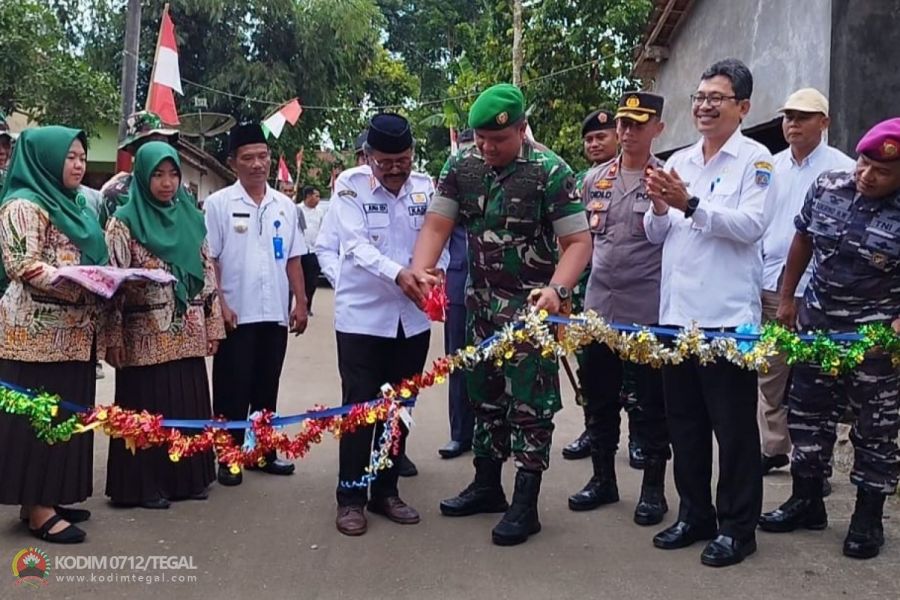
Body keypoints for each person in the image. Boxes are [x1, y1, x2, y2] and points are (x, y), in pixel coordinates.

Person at [408, 83, 592, 546]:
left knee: (530, 405)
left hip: (532, 311)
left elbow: (578, 243)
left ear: (521, 129)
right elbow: (437, 223)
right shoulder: (461, 165)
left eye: (498, 140)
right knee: (484, 397)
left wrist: (558, 289)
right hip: (481, 308)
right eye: (481, 139)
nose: (488, 148)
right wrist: (421, 268)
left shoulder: (551, 172)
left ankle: (525, 505)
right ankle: (487, 484)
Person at [643, 59, 774, 567]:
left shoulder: (755, 160)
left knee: (734, 429)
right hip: (678, 317)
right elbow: (659, 235)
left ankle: (738, 527)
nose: (703, 105)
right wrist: (660, 206)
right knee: (686, 425)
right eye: (699, 97)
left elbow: (751, 225)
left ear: (741, 107)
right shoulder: (682, 160)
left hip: (726, 319)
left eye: (715, 98)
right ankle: (694, 513)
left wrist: (690, 203)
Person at [758, 118, 900, 560]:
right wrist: (787, 297)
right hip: (817, 328)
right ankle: (807, 501)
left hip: (874, 341)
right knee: (806, 418)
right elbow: (802, 237)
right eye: (863, 161)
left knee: (875, 430)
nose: (866, 174)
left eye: (881, 170)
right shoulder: (828, 186)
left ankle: (867, 518)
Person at [317, 113, 446, 536]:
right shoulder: (349, 186)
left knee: (400, 408)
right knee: (359, 409)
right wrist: (400, 274)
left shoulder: (427, 187)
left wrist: (434, 273)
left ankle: (386, 490)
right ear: (369, 156)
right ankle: (350, 497)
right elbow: (352, 246)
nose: (394, 168)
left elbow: (439, 239)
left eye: (403, 159)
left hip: (411, 320)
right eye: (385, 161)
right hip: (362, 320)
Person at [0, 126, 110, 544]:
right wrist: (81, 282)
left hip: (75, 333)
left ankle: (45, 497)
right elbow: (21, 264)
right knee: (37, 419)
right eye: (70, 157)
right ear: (45, 158)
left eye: (82, 156)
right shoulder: (23, 204)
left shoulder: (75, 204)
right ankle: (38, 509)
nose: (79, 164)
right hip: (34, 335)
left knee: (66, 414)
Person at [567, 92, 671, 527]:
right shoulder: (594, 180)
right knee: (599, 398)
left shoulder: (666, 179)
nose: (629, 132)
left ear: (657, 129)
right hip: (598, 308)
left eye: (638, 124)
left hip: (646, 310)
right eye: (624, 124)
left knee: (649, 403)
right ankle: (603, 479)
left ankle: (652, 488)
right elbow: (581, 242)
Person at [104, 142, 225, 509]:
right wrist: (112, 337)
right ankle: (142, 487)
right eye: (158, 174)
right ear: (142, 175)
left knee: (185, 403)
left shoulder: (191, 217)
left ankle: (187, 479)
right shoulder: (123, 222)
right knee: (147, 407)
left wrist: (214, 325)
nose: (167, 183)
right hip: (143, 336)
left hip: (187, 332)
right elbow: (111, 287)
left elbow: (206, 274)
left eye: (173, 174)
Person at [204, 122, 308, 486]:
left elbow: (294, 258)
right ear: (234, 163)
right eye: (248, 158)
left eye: (262, 156)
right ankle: (228, 457)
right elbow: (211, 260)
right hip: (237, 312)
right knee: (232, 387)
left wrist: (301, 303)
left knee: (267, 385)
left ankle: (263, 453)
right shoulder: (219, 204)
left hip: (274, 312)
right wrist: (220, 305)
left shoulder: (285, 206)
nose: (257, 164)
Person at [758, 88, 855, 475]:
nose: (793, 124)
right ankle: (773, 447)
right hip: (770, 281)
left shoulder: (844, 169)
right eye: (788, 117)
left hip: (821, 290)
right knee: (768, 371)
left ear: (824, 122)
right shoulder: (769, 166)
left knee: (816, 379)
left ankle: (813, 460)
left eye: (803, 117)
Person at [562, 108, 618, 462]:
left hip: (628, 291)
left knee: (635, 370)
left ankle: (641, 439)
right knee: (591, 367)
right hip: (587, 288)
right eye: (589, 139)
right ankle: (592, 430)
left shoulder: (643, 173)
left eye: (601, 136)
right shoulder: (581, 181)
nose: (594, 143)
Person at [439, 128, 476, 460]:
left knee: (498, 363)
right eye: (463, 154)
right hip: (458, 287)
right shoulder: (447, 191)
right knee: (459, 362)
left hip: (501, 291)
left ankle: (496, 436)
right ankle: (461, 433)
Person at [100, 111, 180, 224]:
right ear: (133, 150)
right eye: (151, 145)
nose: (158, 151)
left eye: (163, 143)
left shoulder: (182, 194)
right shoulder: (116, 194)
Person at [297, 185, 324, 315]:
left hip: (314, 251)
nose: (318, 199)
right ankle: (297, 305)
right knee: (297, 280)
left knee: (312, 281)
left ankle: (307, 306)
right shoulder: (296, 210)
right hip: (299, 251)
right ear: (308, 196)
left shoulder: (320, 212)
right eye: (316, 196)